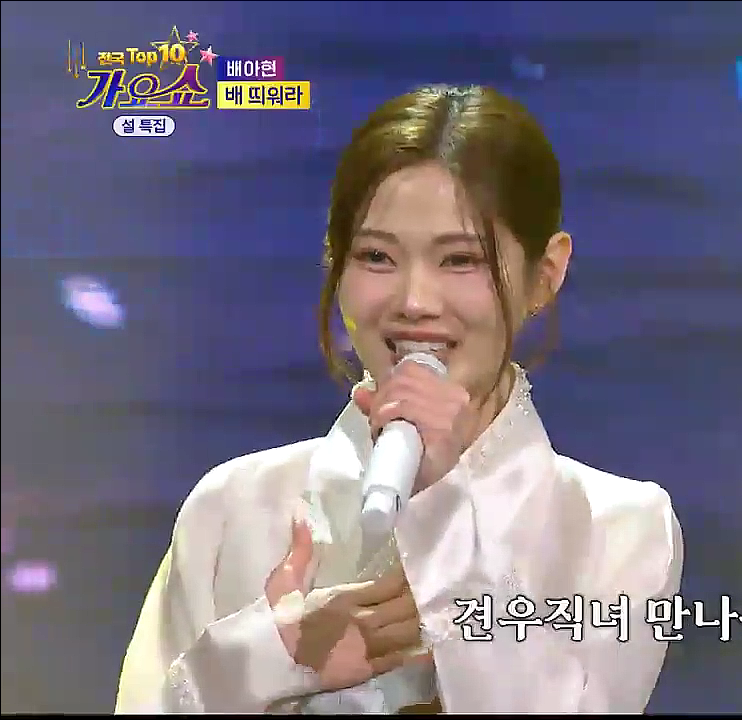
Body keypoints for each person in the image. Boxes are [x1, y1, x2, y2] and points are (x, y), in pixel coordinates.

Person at [113, 84, 685, 714]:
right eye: (377, 256)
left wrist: (447, 509)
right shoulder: (234, 506)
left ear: (545, 274)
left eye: (461, 260)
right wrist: (258, 663)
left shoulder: (620, 528)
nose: (414, 301)